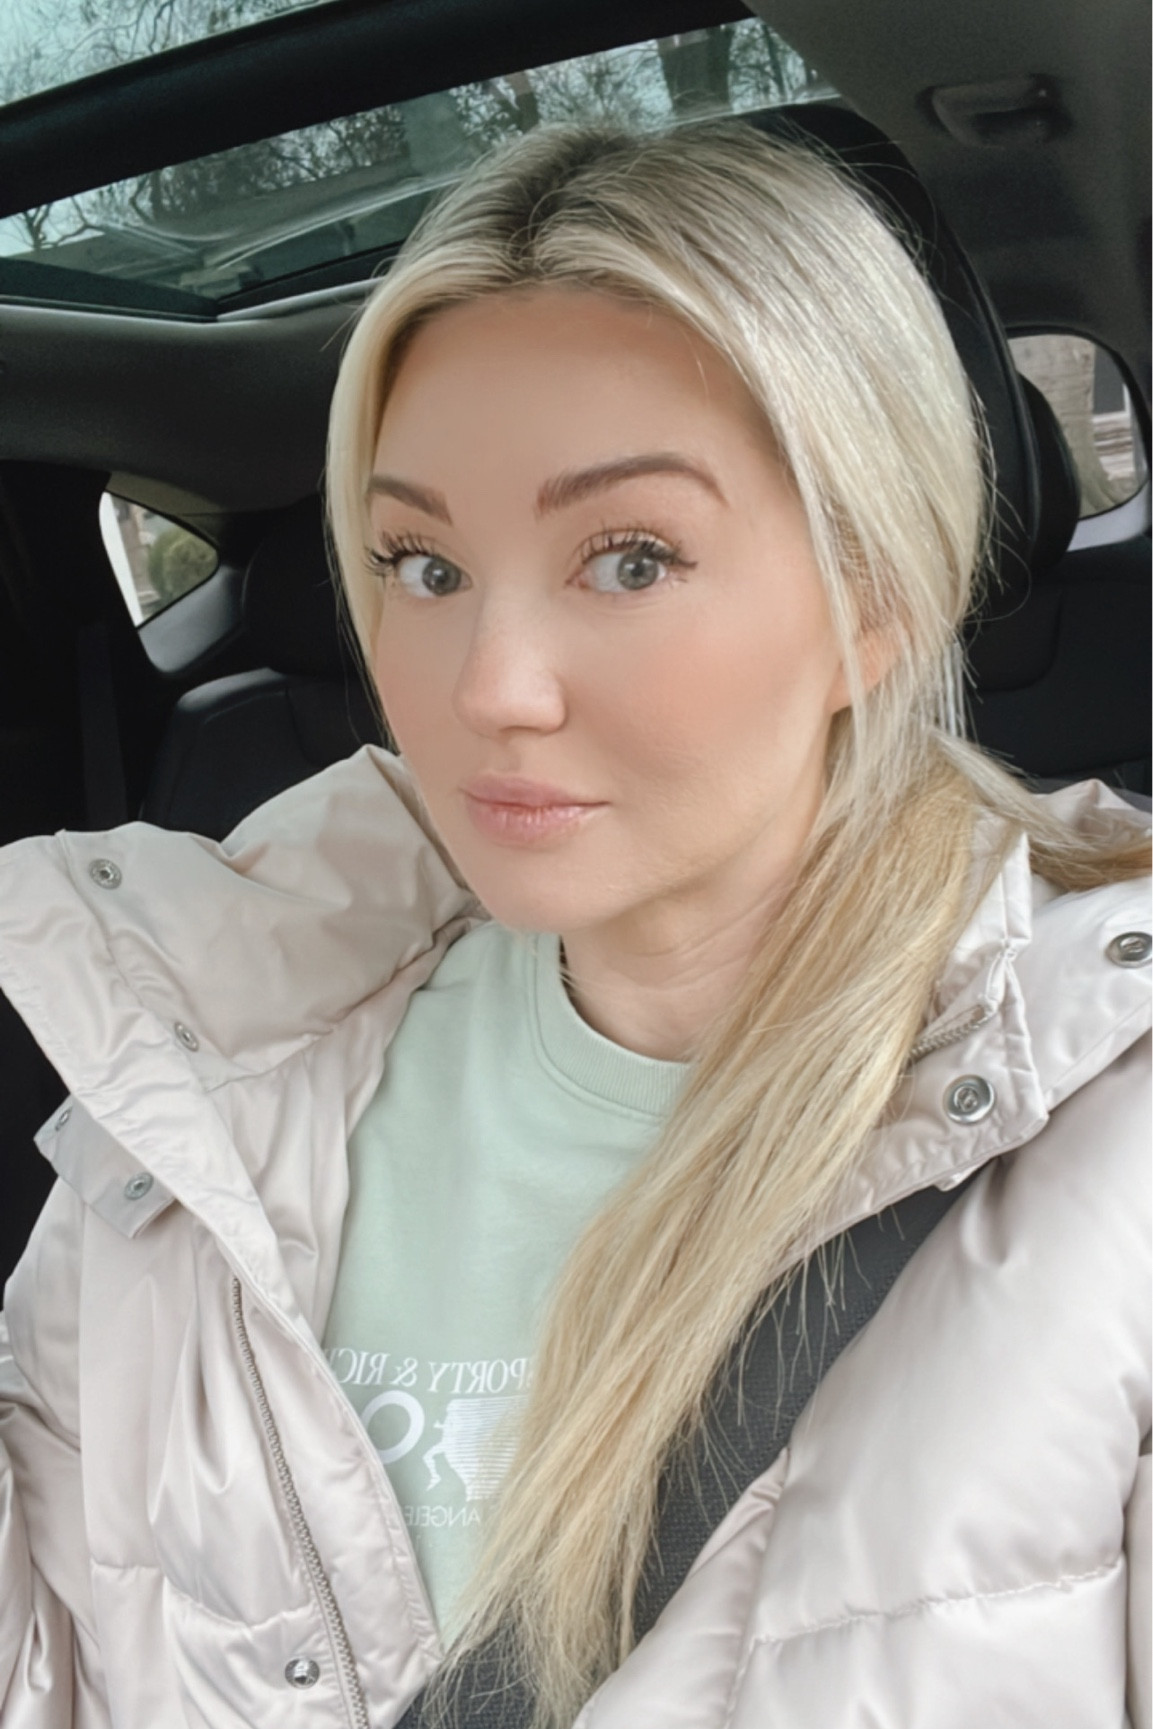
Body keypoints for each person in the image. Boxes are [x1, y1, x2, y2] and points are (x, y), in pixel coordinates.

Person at [0, 119, 1148, 1729]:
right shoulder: (186, 1099)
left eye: (628, 558)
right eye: (422, 564)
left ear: (874, 600)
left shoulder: (1110, 1143)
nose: (490, 689)